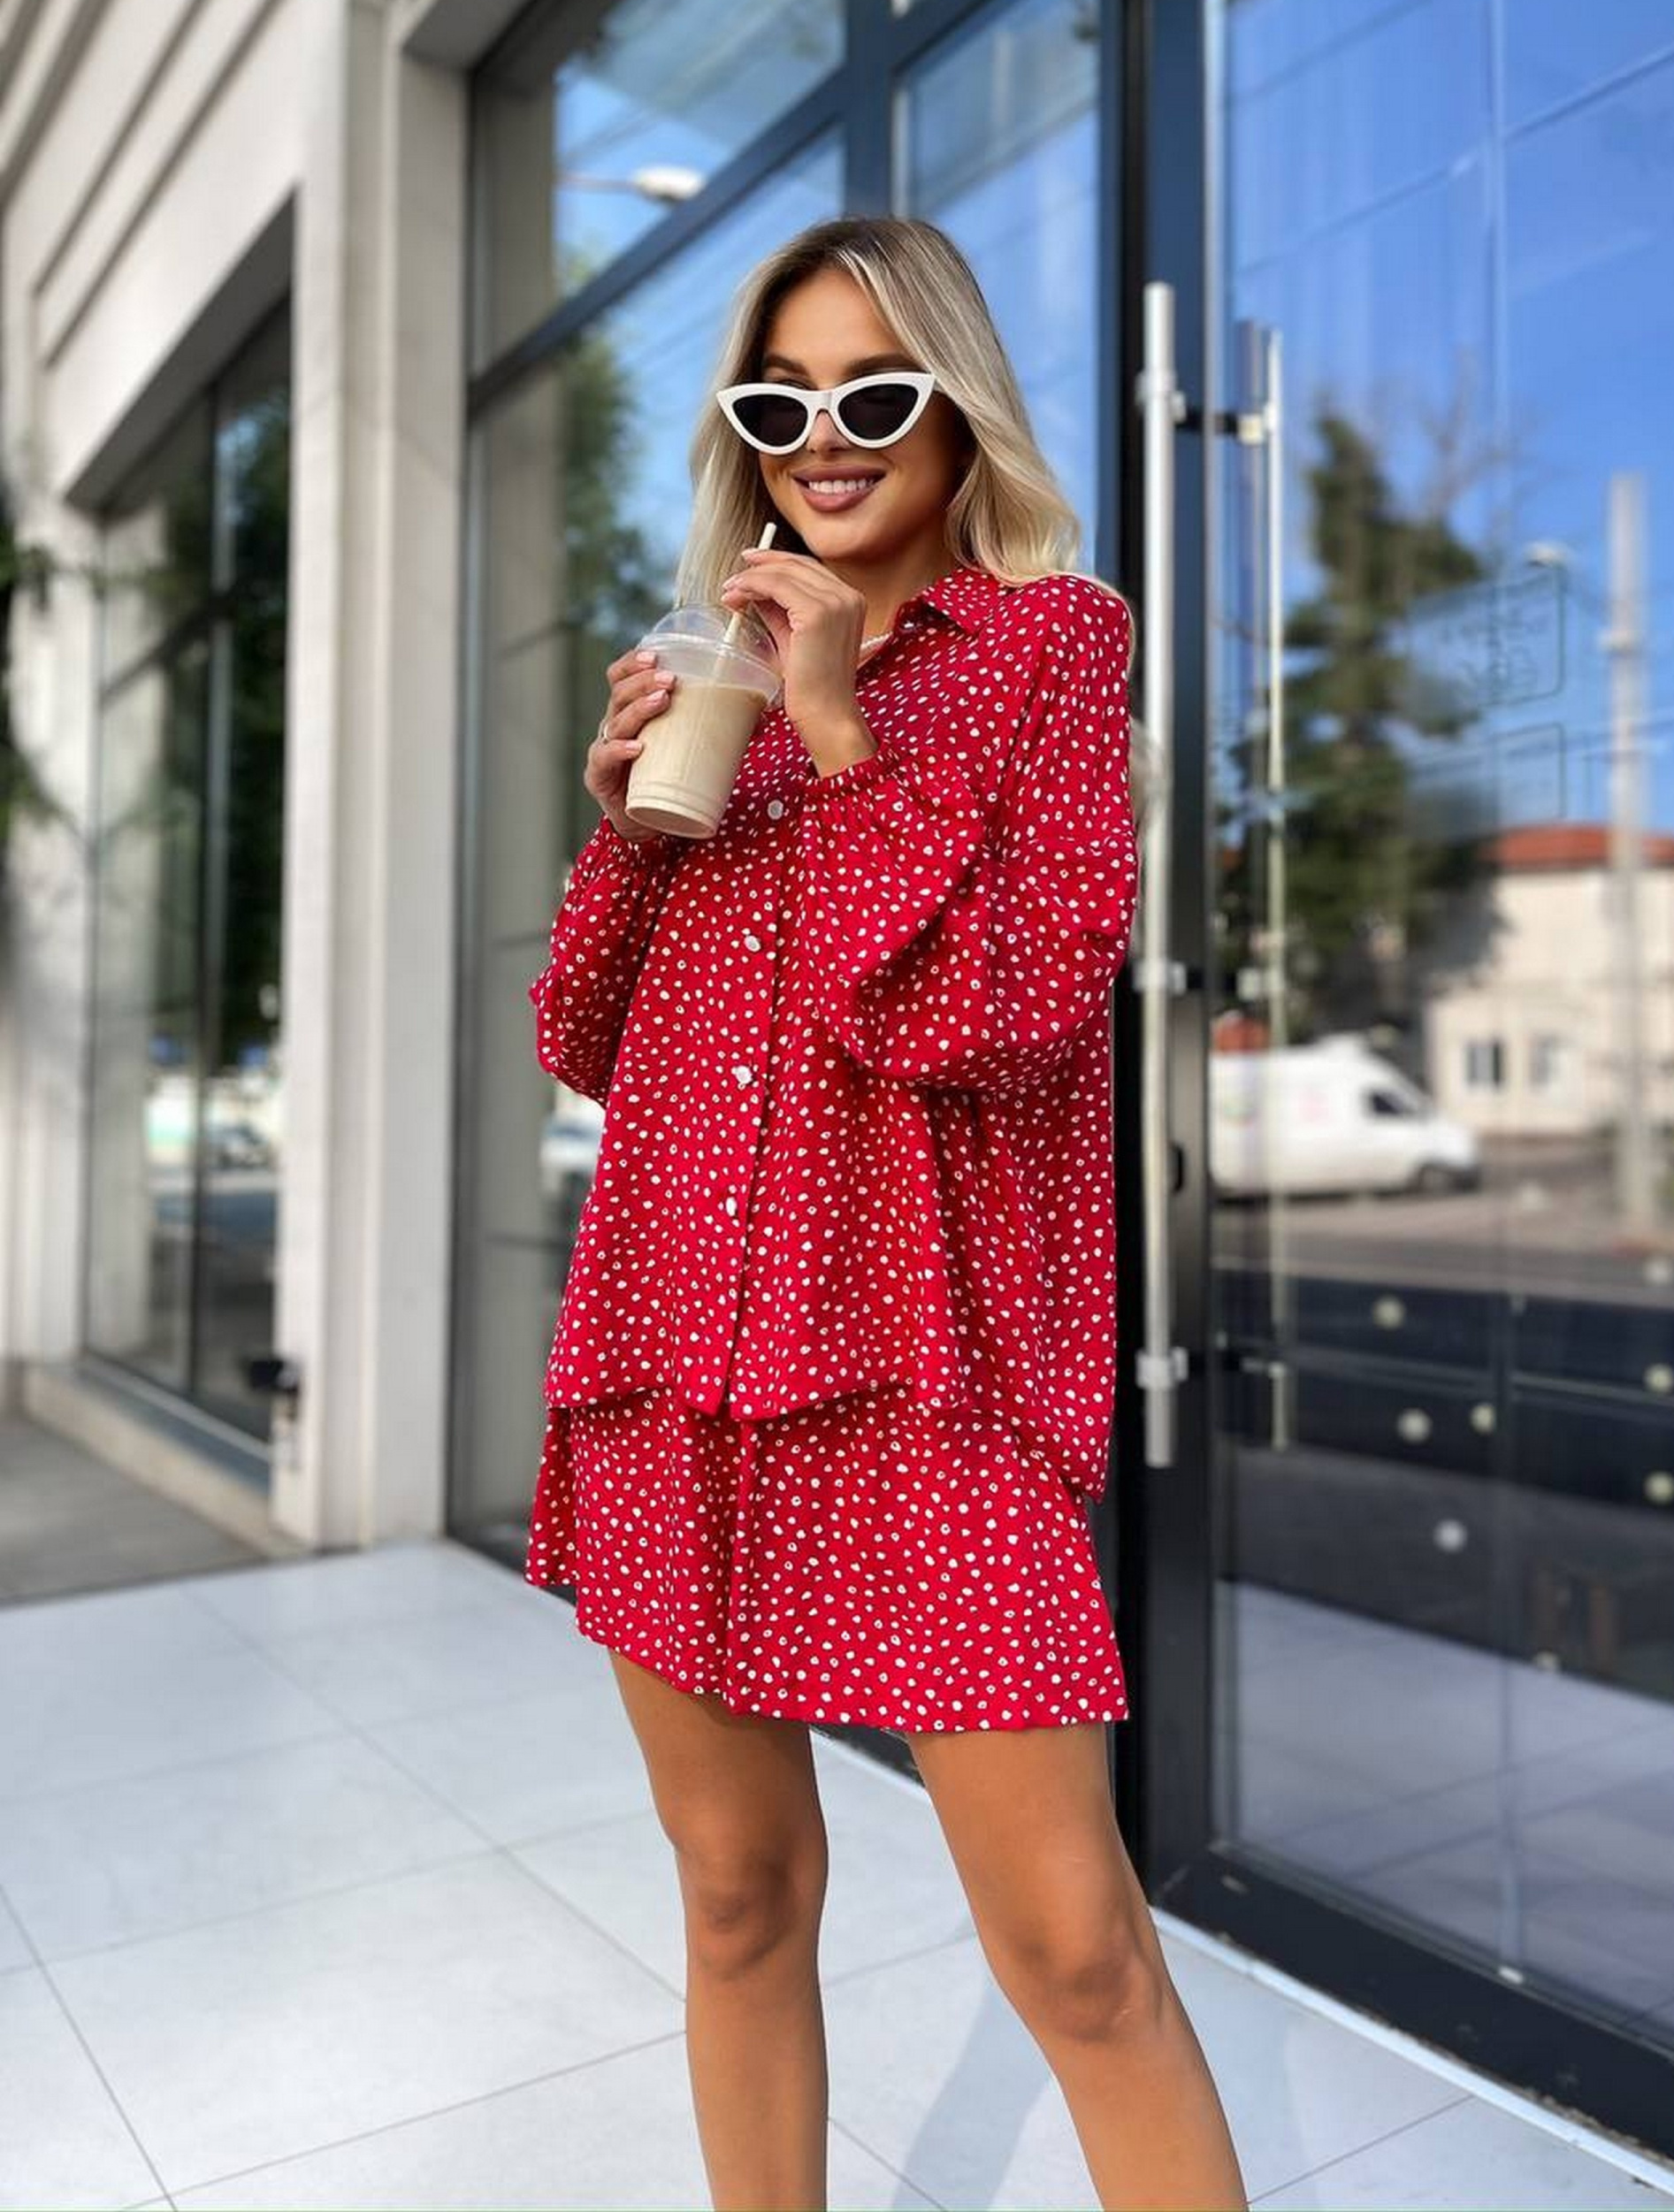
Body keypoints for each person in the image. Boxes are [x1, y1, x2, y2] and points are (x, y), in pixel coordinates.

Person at [520, 215, 1247, 2211]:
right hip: (675, 1354)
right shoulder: (715, 663)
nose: (820, 439)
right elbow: (586, 1039)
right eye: (777, 404)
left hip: (928, 1382)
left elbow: (998, 1022)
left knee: (1079, 1957)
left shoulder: (1049, 649)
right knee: (736, 1893)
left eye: (870, 392)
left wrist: (839, 733)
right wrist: (627, 830)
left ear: (953, 406)